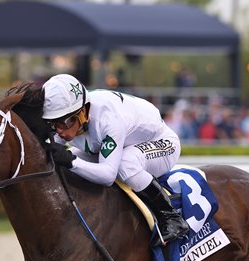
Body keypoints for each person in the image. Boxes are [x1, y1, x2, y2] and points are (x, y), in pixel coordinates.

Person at [42, 74, 189, 247]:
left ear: (82, 113)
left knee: (125, 165)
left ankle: (171, 217)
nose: (58, 131)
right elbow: (52, 151)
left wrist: (71, 160)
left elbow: (108, 175)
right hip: (126, 144)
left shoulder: (108, 119)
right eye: (52, 123)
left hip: (162, 143)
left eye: (63, 123)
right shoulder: (75, 117)